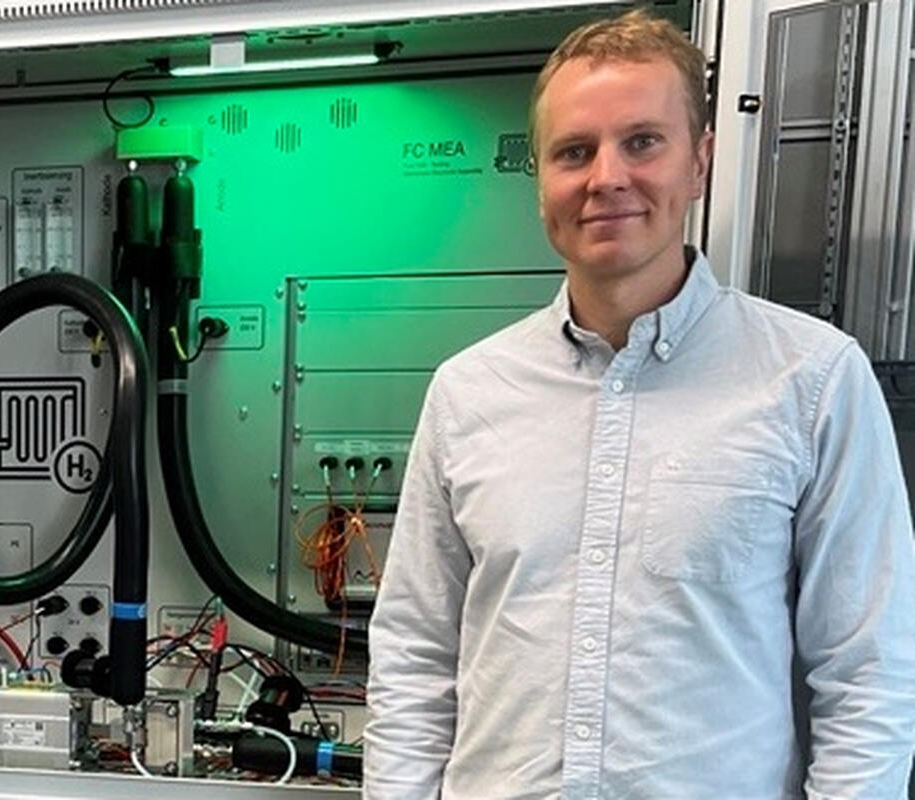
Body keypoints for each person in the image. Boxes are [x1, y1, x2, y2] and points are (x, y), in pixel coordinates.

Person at [364, 9, 915, 799]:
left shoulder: (813, 381)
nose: (607, 178)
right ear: (541, 181)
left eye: (643, 142)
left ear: (700, 162)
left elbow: (868, 672)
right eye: (574, 152)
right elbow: (415, 657)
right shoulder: (468, 392)